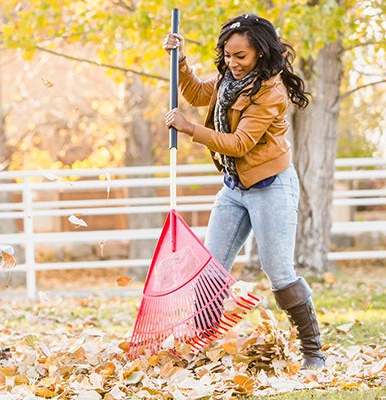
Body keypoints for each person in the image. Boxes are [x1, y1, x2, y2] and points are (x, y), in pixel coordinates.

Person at [162, 14, 325, 369]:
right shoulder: (228, 80)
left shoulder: (271, 92)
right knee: (209, 274)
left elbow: (239, 143)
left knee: (278, 271)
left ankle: (314, 352)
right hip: (234, 187)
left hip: (271, 187)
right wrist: (182, 60)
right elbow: (196, 93)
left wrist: (188, 128)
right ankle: (205, 351)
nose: (232, 63)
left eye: (241, 57)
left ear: (261, 55)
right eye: (228, 54)